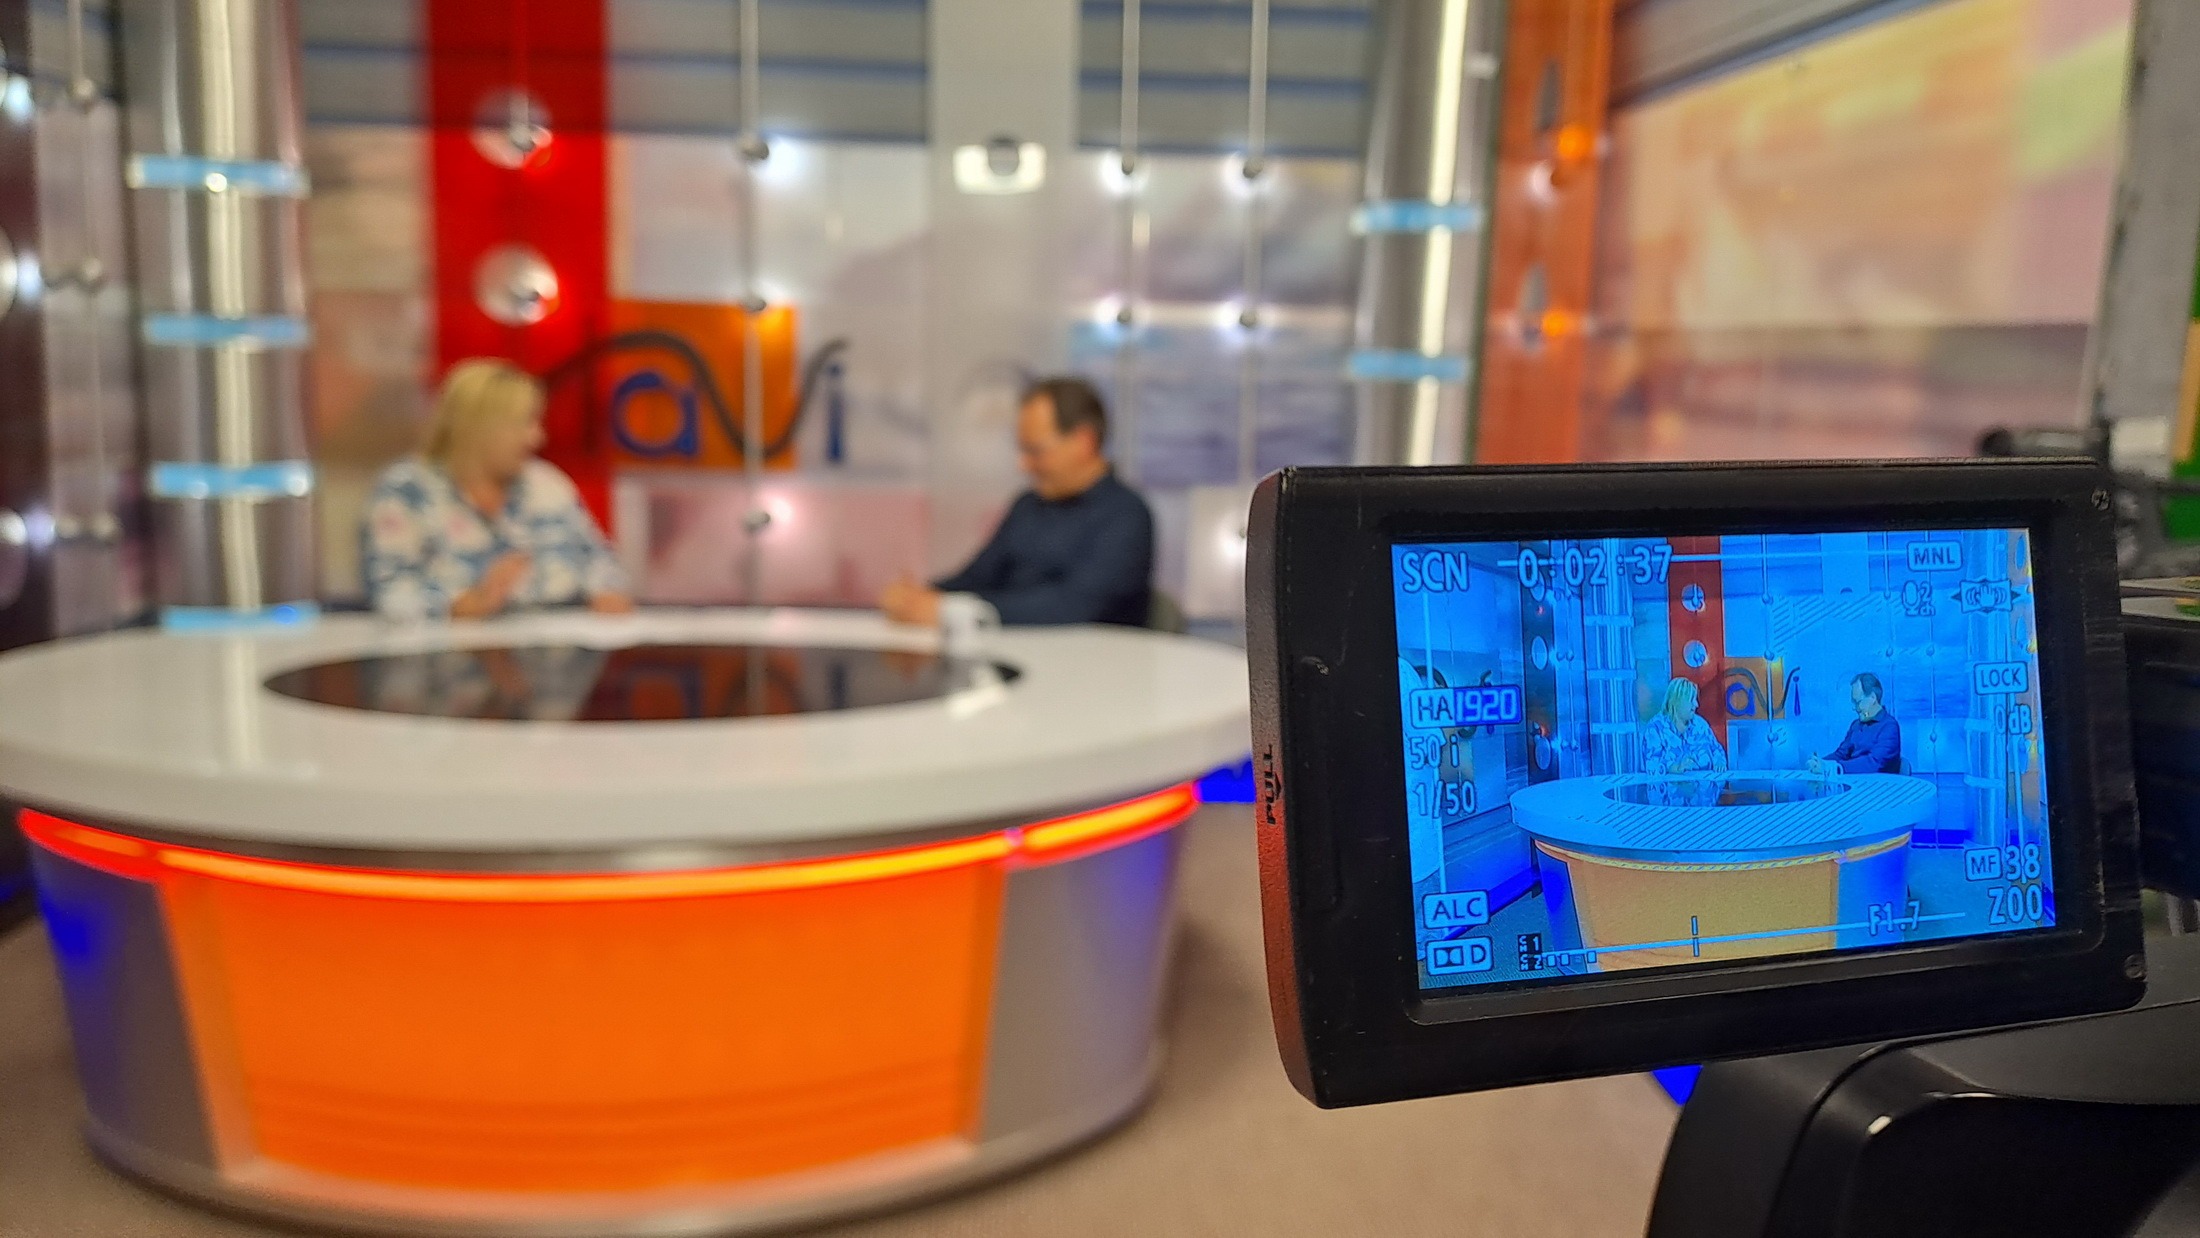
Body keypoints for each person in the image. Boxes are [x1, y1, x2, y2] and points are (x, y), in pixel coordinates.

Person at [362, 359, 634, 621]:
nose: (537, 437)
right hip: (449, 650)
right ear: (481, 427)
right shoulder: (405, 491)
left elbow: (600, 560)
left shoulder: (548, 485)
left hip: (561, 646)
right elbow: (390, 590)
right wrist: (461, 606)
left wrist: (608, 592)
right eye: (525, 423)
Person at [881, 376, 1153, 627]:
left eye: (1035, 451)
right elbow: (977, 578)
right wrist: (921, 597)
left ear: (1083, 442)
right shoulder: (1028, 506)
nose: (1023, 465)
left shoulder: (1127, 515)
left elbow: (1073, 607)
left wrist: (950, 611)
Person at [1810, 672, 1903, 774]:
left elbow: (1874, 763)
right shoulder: (1856, 725)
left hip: (1878, 783)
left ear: (1872, 698)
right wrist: (1819, 763)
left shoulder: (1889, 726)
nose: (1855, 708)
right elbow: (1841, 754)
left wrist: (1836, 768)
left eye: (1858, 702)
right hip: (1853, 780)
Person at [1641, 676, 1728, 775]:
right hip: (1671, 785)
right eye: (1691, 700)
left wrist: (1719, 761)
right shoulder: (1655, 728)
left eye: (1695, 699)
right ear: (1677, 701)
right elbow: (1652, 766)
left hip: (1703, 784)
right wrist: (1676, 768)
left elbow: (1716, 749)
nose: (1696, 704)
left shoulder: (1700, 725)